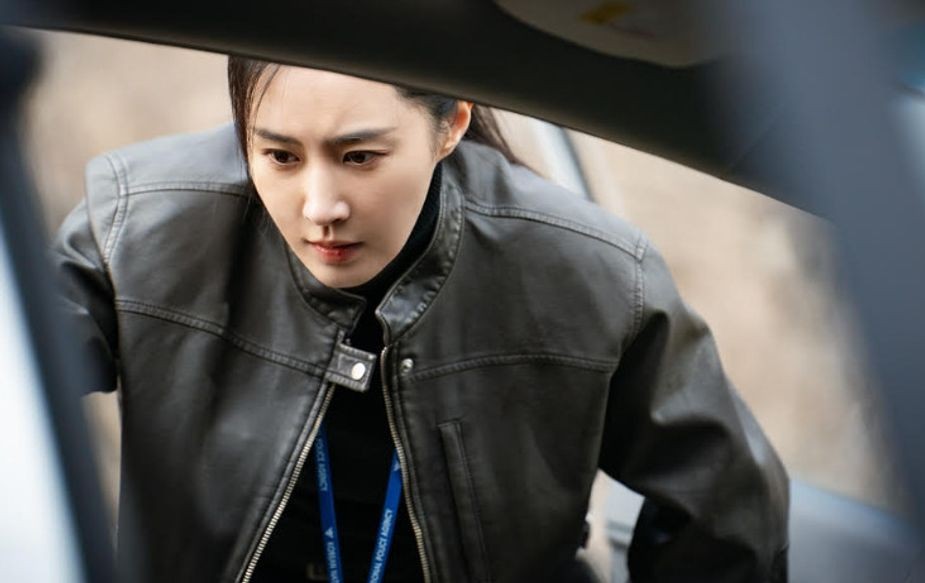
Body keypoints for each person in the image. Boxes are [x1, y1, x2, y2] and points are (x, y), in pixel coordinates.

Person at [52, 57, 790, 583]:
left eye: (359, 157)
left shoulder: (592, 272)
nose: (320, 207)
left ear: (451, 125)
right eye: (278, 154)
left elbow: (725, 509)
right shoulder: (140, 224)